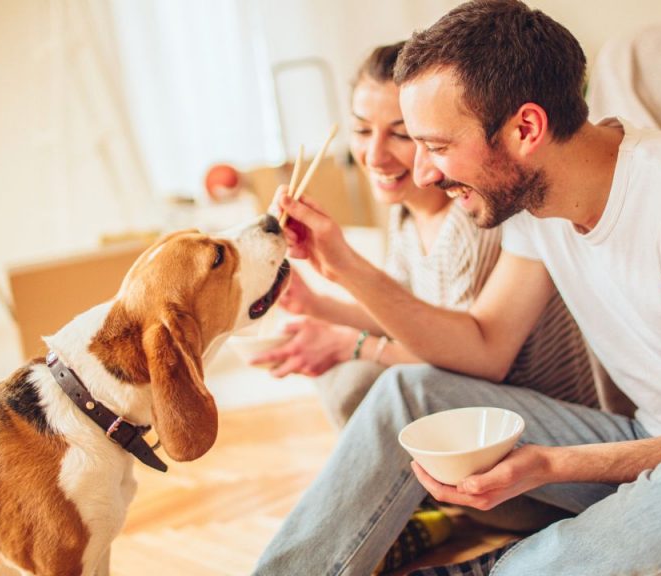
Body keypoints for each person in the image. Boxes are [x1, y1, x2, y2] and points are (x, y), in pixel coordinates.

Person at [253, 1, 661, 574]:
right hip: (652, 443)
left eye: (436, 146)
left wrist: (556, 464)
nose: (425, 173)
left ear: (525, 128)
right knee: (405, 393)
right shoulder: (533, 204)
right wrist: (344, 265)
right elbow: (482, 345)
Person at [254, 42, 596, 430]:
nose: (374, 156)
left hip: (534, 407)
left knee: (376, 378)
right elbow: (404, 311)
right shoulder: (404, 213)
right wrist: (316, 304)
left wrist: (352, 343)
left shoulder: (475, 217)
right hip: (472, 393)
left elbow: (460, 359)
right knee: (344, 376)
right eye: (362, 130)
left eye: (401, 135)